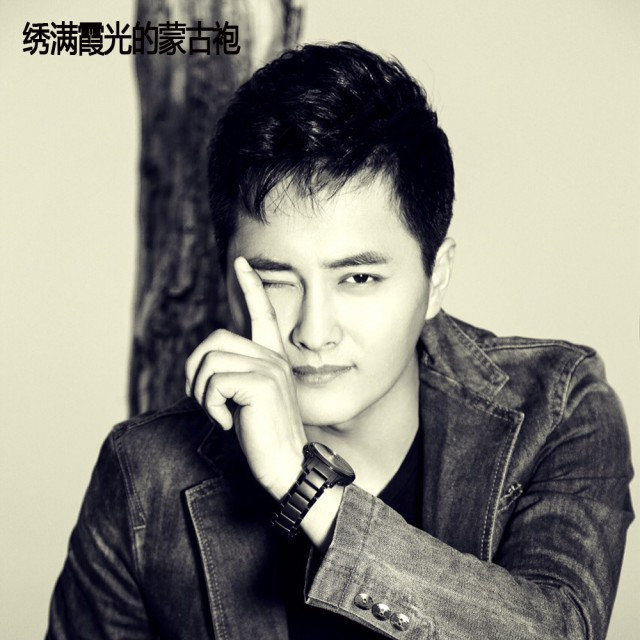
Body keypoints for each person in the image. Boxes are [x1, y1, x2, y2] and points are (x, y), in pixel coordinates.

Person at [47, 42, 633, 639]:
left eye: (358, 278)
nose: (313, 332)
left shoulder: (557, 410)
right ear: (226, 278)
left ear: (436, 277)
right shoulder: (144, 472)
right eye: (275, 280)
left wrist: (302, 485)